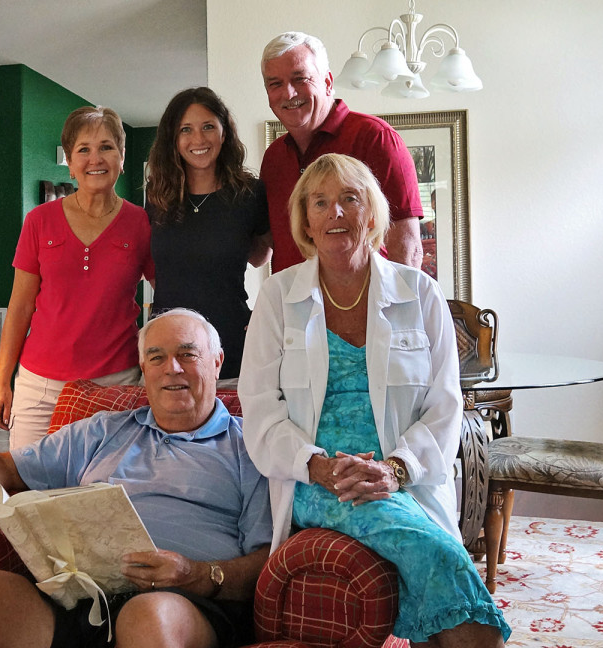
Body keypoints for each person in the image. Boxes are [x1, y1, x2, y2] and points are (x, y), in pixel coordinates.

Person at [238, 154, 510, 647]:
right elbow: (259, 411)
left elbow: (446, 405)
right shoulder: (278, 298)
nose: (335, 213)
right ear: (305, 221)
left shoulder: (420, 293)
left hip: (403, 477)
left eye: (349, 199)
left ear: (373, 214)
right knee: (435, 553)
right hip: (318, 480)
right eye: (320, 203)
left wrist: (396, 469)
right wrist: (318, 466)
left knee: (427, 552)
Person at [0, 309, 272, 648]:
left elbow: (267, 557)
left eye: (187, 354)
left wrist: (195, 574)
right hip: (79, 598)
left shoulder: (252, 447)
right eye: (156, 358)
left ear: (217, 362)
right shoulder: (102, 430)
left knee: (147, 615)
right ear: (143, 370)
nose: (172, 369)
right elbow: (2, 464)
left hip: (184, 603)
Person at [0, 105, 155, 449]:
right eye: (84, 149)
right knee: (29, 486)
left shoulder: (141, 223)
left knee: (102, 490)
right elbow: (19, 307)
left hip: (115, 383)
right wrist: (2, 382)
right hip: (40, 386)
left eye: (107, 147)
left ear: (122, 157)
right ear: (69, 159)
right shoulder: (39, 220)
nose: (95, 158)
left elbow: (167, 297)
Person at [259, 31, 424, 272]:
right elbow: (267, 248)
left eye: (300, 79)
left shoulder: (376, 138)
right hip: (292, 306)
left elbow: (407, 249)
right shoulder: (273, 157)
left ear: (327, 82)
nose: (289, 93)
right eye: (275, 83)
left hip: (367, 306)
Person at [146, 87, 271, 383]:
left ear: (224, 133)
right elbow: (157, 269)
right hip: (167, 344)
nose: (198, 139)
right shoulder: (157, 195)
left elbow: (263, 257)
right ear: (173, 139)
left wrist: (268, 313)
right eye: (185, 130)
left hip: (229, 341)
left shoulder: (250, 193)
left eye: (208, 127)